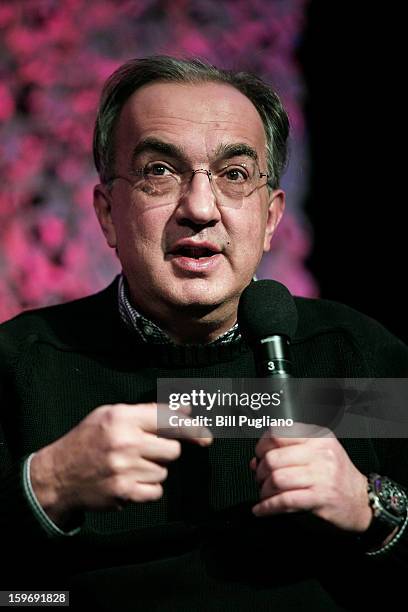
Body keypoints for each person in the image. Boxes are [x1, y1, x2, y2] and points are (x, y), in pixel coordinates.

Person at [1, 56, 407, 611]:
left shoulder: (357, 355)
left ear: (269, 218)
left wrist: (371, 511)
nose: (199, 208)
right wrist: (43, 488)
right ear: (107, 214)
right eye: (159, 172)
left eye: (235, 176)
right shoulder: (20, 366)